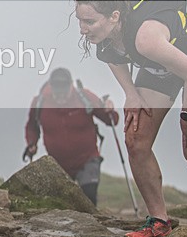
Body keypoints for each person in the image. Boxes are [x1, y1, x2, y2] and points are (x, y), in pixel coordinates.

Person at [74, 0, 187, 237]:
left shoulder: (146, 38)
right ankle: (158, 222)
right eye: (80, 21)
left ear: (114, 16)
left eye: (89, 22)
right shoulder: (104, 37)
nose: (83, 30)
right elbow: (115, 60)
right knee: (136, 140)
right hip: (159, 70)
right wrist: (131, 94)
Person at [24, 67, 119, 205]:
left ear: (70, 85)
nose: (61, 94)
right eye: (57, 89)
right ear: (51, 87)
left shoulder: (84, 97)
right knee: (61, 203)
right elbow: (32, 126)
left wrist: (109, 110)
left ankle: (91, 224)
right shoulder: (40, 102)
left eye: (64, 88)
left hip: (87, 159)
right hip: (58, 163)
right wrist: (31, 143)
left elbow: (111, 120)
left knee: (89, 196)